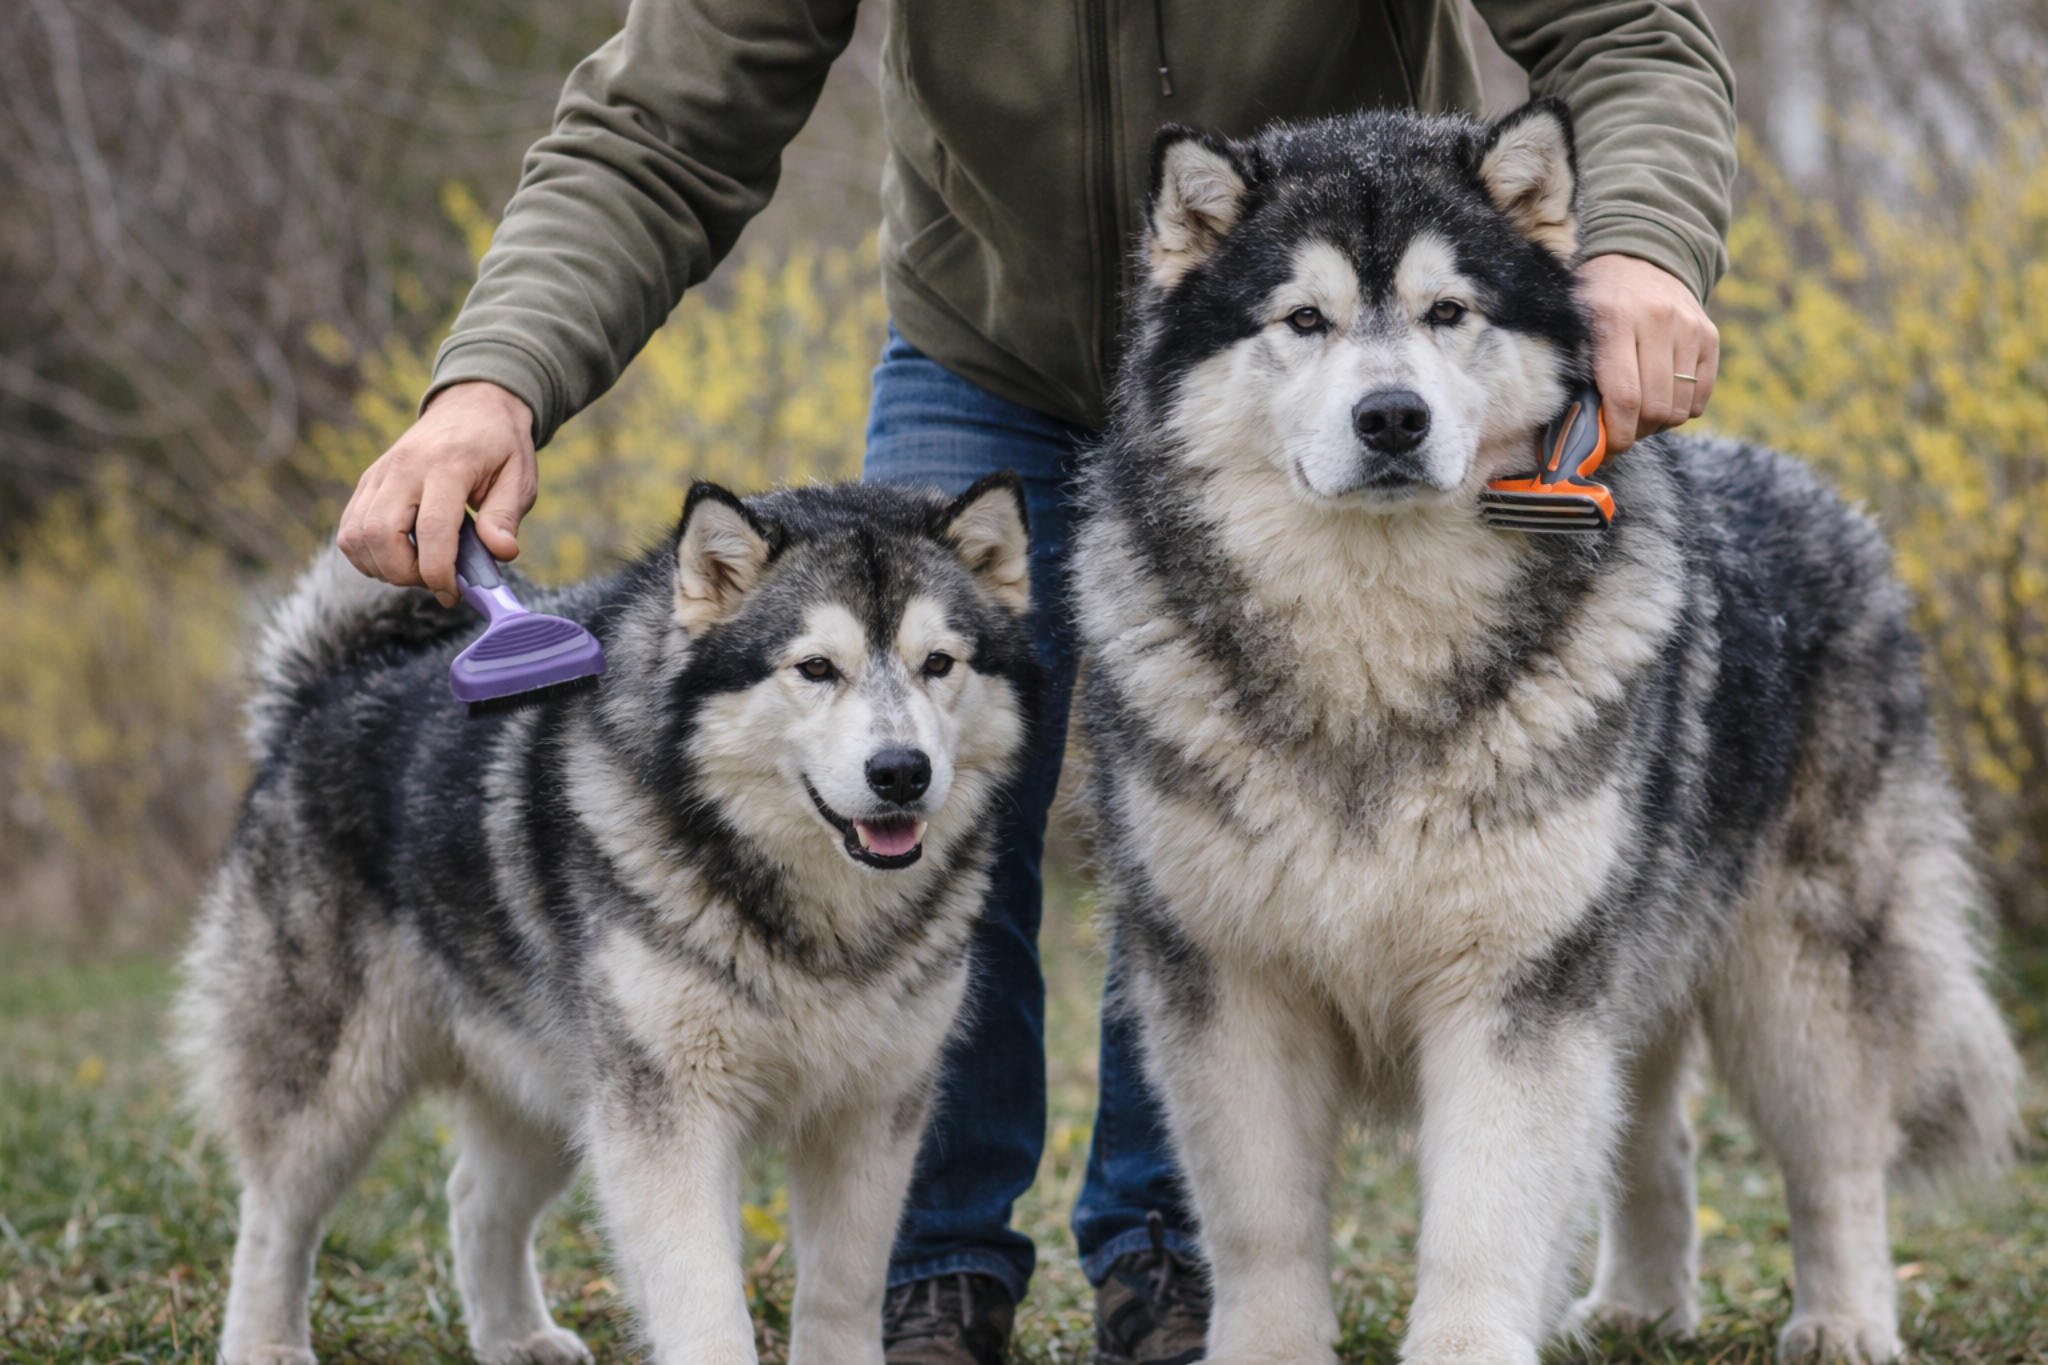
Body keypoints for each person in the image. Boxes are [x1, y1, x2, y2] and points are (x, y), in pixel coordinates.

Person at [337, 4, 1736, 1361]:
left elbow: (1631, 28)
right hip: (990, 353)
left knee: (1225, 847)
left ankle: (1169, 1262)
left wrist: (1648, 249)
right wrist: (493, 380)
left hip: (1330, 329)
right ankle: (931, 1275)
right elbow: (666, 119)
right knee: (907, 781)